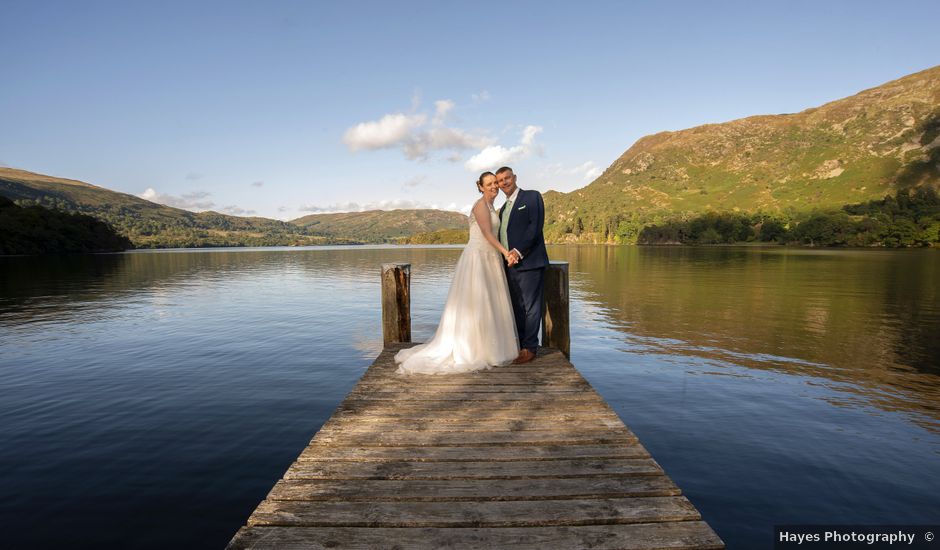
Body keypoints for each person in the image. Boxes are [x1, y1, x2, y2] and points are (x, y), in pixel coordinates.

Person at [395, 172, 519, 374]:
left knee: (490, 302)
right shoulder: (480, 205)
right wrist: (506, 253)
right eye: (488, 184)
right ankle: (473, 349)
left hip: (490, 258)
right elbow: (487, 234)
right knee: (477, 302)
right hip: (478, 258)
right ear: (480, 186)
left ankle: (492, 348)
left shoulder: (492, 207)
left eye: (495, 183)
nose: (494, 186)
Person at [496, 166, 549, 364]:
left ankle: (529, 348)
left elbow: (534, 227)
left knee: (531, 307)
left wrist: (518, 252)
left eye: (507, 178)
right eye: (500, 180)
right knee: (517, 306)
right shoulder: (503, 209)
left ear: (515, 177)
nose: (504, 182)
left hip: (530, 262)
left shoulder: (531, 197)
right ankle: (519, 345)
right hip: (510, 265)